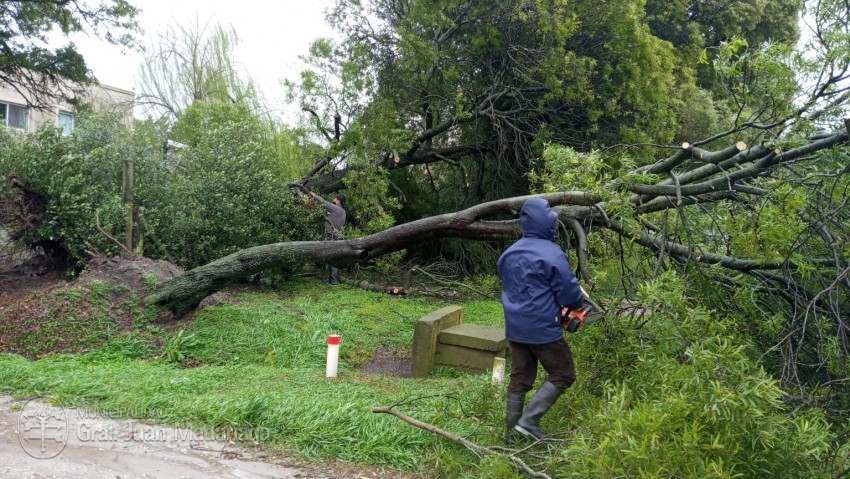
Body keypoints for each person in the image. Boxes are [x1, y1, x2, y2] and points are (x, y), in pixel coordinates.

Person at [497, 197, 585, 443]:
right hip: (543, 328)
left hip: (515, 328)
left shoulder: (508, 253)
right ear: (547, 224)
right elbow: (570, 295)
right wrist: (577, 303)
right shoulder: (552, 253)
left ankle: (511, 436)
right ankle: (529, 421)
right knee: (563, 373)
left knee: (520, 378)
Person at [301, 187, 347, 284]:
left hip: (332, 236)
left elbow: (323, 201)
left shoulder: (336, 208)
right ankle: (332, 279)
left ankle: (333, 281)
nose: (333, 199)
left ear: (338, 201)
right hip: (337, 236)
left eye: (335, 198)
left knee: (332, 258)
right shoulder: (343, 211)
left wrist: (311, 193)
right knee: (332, 257)